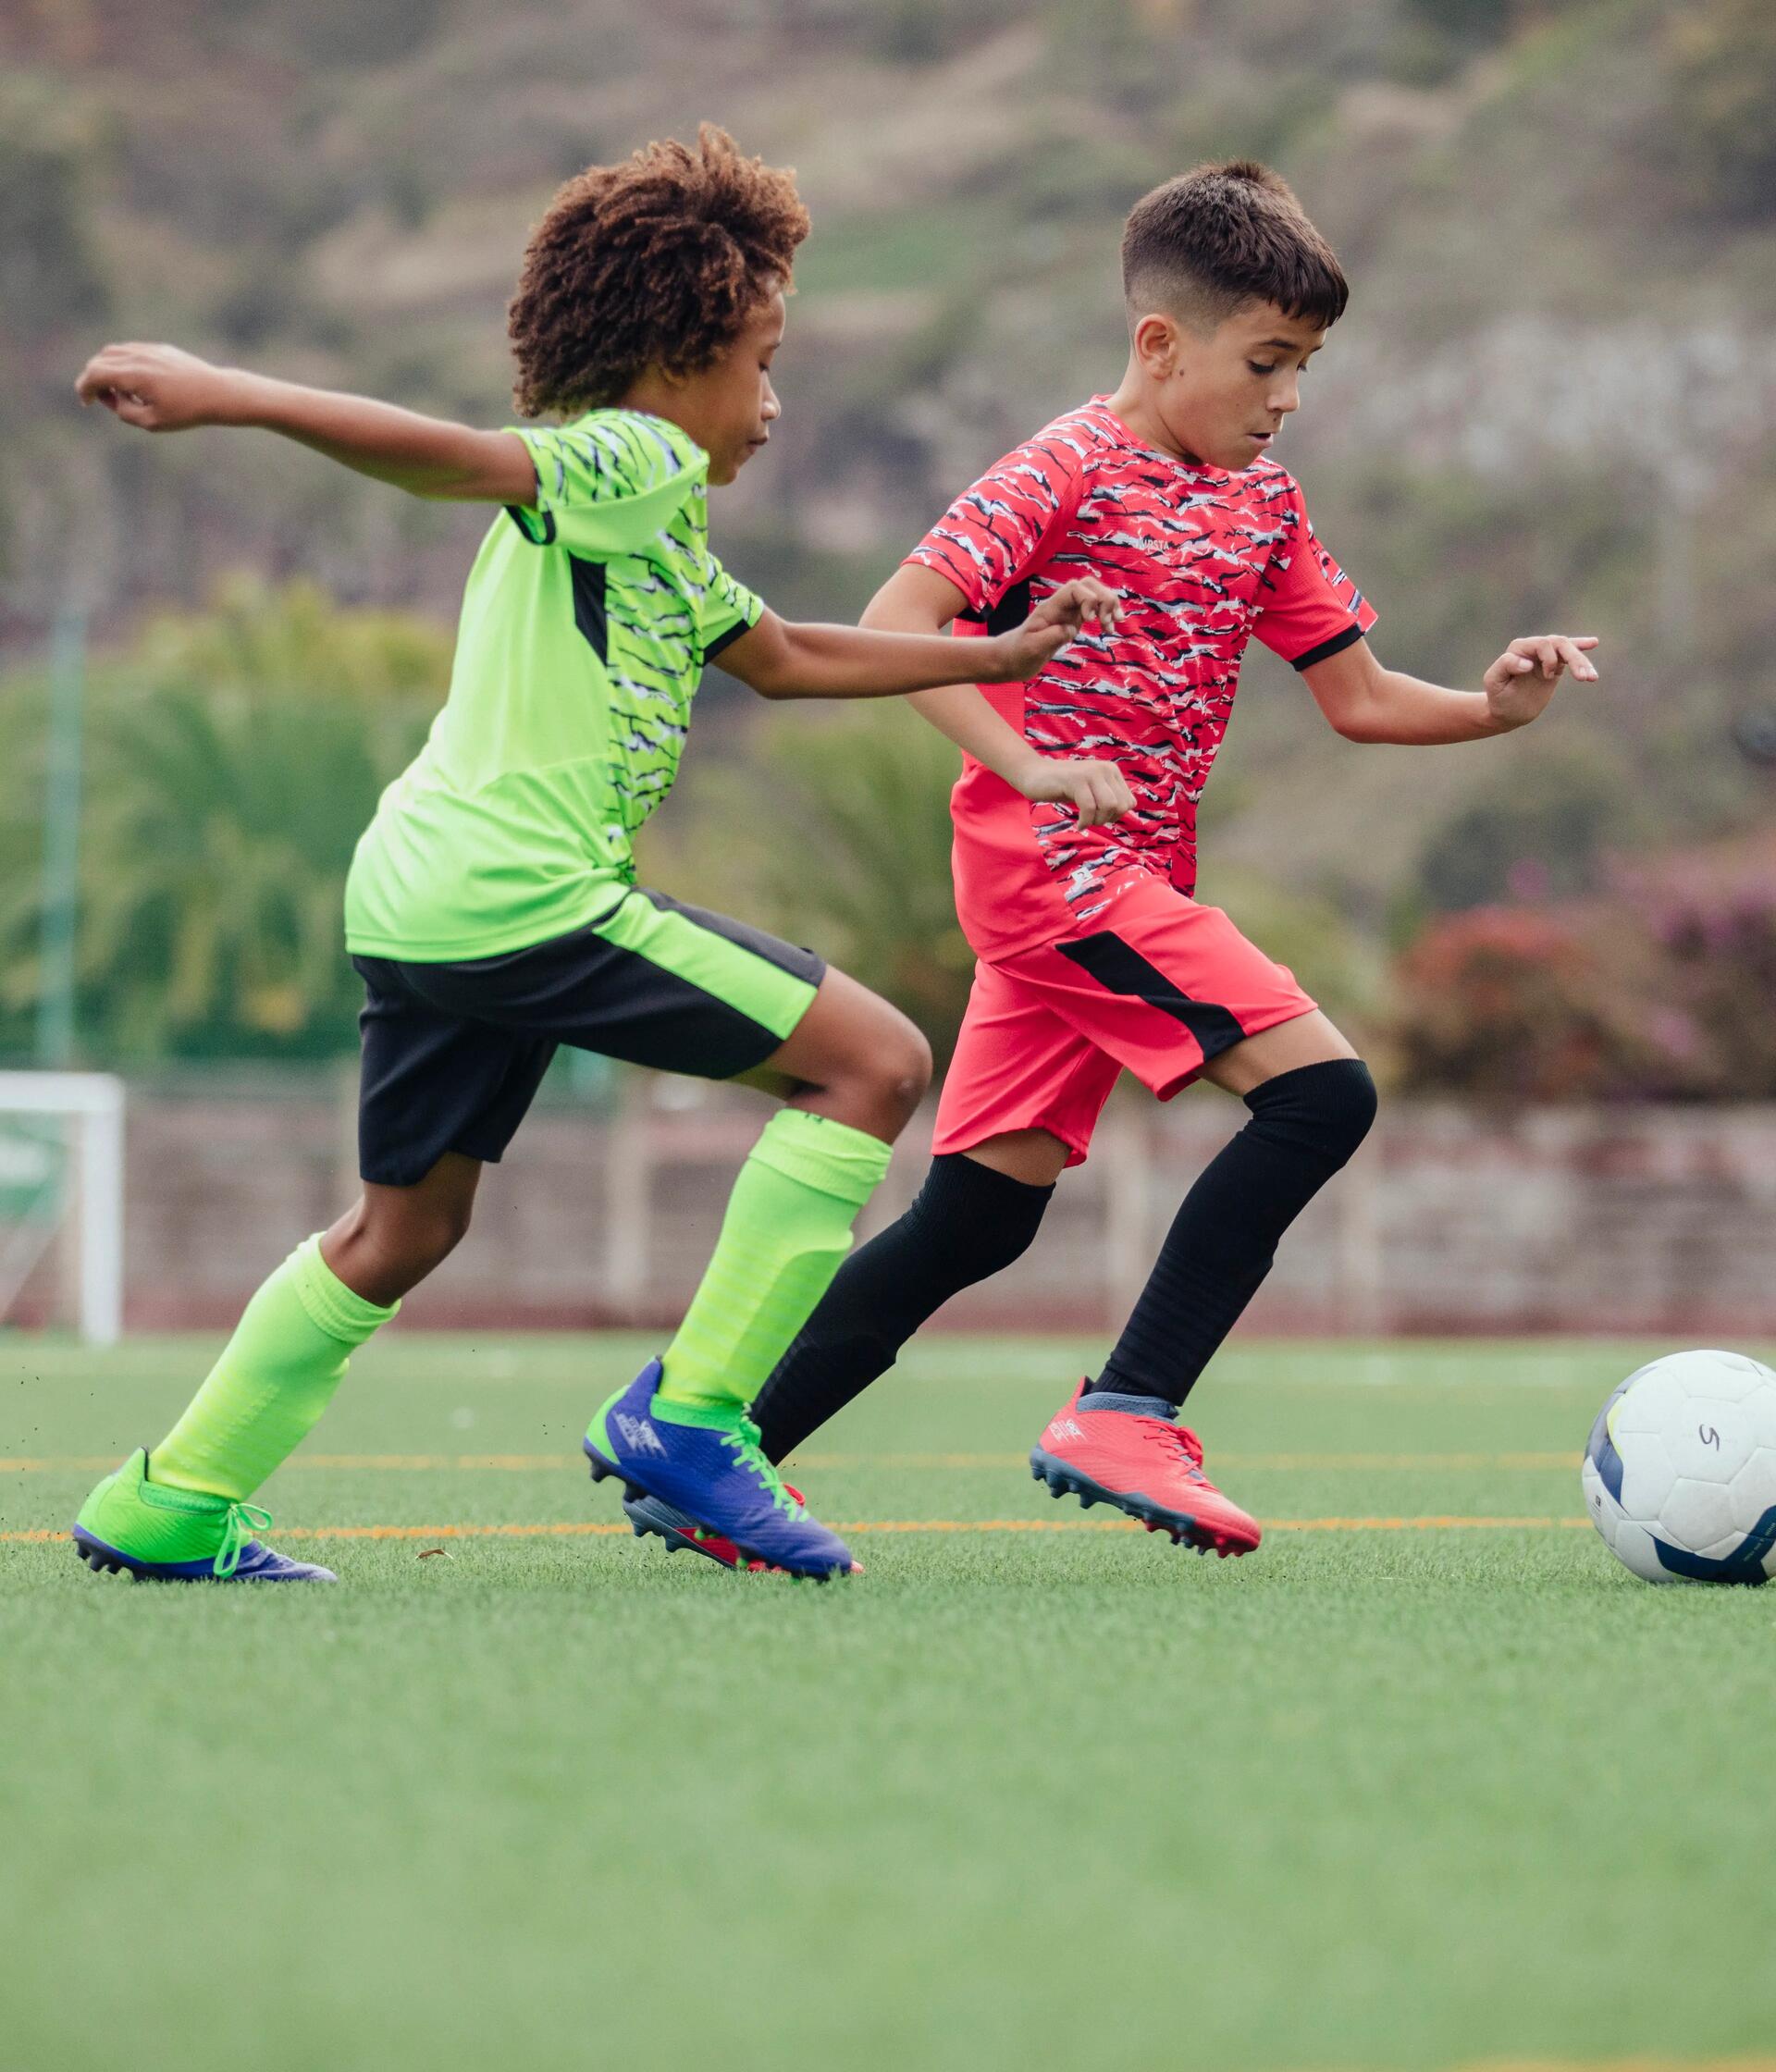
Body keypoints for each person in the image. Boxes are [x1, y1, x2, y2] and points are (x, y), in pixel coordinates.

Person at [66, 126, 1119, 1584]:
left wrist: (998, 652)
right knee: (872, 1065)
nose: (771, 400)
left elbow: (793, 653)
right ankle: (692, 1422)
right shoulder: (624, 455)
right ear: (670, 361)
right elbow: (460, 462)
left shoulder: (655, 526)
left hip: (421, 895)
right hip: (520, 898)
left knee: (403, 1227)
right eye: (758, 361)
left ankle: (170, 1499)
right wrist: (227, 395)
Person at [634, 158, 1601, 1568]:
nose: (1283, 398)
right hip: (1052, 873)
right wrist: (1025, 765)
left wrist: (1493, 708)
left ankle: (713, 1462)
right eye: (1266, 362)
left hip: (1125, 887)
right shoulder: (1061, 469)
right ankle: (1130, 1406)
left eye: (1304, 370)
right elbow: (902, 625)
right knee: (1321, 1092)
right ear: (1161, 342)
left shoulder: (1265, 507)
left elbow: (1363, 696)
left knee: (975, 1219)